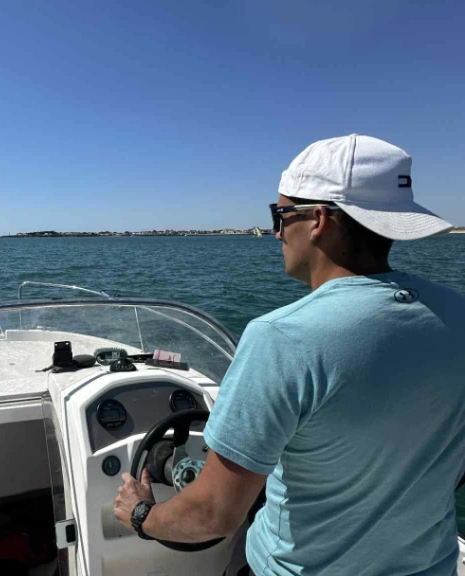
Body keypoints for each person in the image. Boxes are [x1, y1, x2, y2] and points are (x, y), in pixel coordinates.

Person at [114, 134, 465, 575]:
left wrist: (142, 515)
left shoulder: (282, 338)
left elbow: (213, 516)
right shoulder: (458, 314)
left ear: (318, 220)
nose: (277, 233)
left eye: (279, 216)